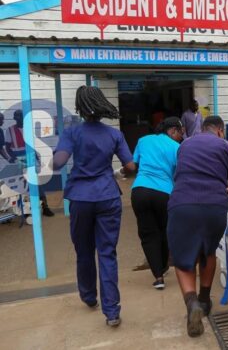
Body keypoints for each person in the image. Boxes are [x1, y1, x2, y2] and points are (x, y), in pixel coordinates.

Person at [51, 86, 136, 327]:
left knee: (84, 250)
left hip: (80, 198)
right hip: (108, 196)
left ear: (80, 107)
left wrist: (50, 159)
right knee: (107, 252)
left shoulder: (72, 133)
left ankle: (89, 297)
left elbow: (58, 162)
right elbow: (130, 167)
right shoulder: (114, 134)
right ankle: (112, 312)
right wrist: (116, 171)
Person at [167, 115, 228, 338]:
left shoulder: (185, 145)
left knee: (182, 259)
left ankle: (192, 303)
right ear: (220, 131)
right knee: (208, 252)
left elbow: (180, 173)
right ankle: (204, 300)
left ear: (203, 129)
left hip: (182, 204)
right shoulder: (227, 147)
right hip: (214, 206)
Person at [131, 117, 183, 290]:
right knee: (165, 230)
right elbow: (178, 174)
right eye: (180, 133)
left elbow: (133, 166)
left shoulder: (143, 140)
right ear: (173, 131)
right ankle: (164, 265)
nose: (181, 137)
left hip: (139, 190)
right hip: (164, 193)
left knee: (148, 233)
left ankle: (158, 276)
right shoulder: (177, 147)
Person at [6, 109, 54, 216]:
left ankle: (45, 207)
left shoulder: (29, 129)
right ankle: (25, 210)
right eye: (17, 116)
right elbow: (8, 148)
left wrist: (38, 159)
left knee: (37, 183)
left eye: (21, 116)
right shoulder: (10, 130)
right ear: (14, 118)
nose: (19, 118)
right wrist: (14, 159)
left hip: (31, 158)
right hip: (19, 160)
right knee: (22, 185)